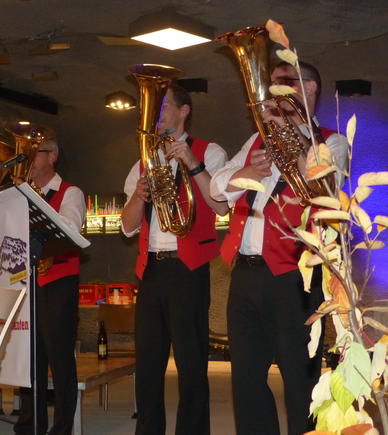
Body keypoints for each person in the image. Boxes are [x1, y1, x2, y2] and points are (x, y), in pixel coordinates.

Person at [210, 61, 349, 435]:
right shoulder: (256, 140)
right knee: (246, 380)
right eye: (271, 85)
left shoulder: (332, 141)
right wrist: (246, 174)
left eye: (283, 84)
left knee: (300, 379)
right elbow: (217, 188)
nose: (272, 93)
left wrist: (292, 135)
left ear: (310, 89)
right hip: (246, 272)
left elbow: (325, 188)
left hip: (296, 277)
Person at [121, 83, 229, 435]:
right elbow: (127, 226)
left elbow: (221, 205)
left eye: (164, 105)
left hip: (189, 267)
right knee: (148, 363)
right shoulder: (143, 160)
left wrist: (191, 162)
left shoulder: (210, 152)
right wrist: (138, 196)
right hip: (151, 268)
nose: (157, 113)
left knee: (191, 362)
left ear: (184, 111)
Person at [14, 137, 86, 435]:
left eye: (34, 153)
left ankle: (62, 428)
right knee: (29, 359)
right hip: (26, 283)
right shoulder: (21, 194)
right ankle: (30, 425)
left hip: (58, 283)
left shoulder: (71, 192)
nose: (28, 159)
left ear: (53, 156)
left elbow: (69, 229)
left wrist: (31, 198)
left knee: (60, 359)